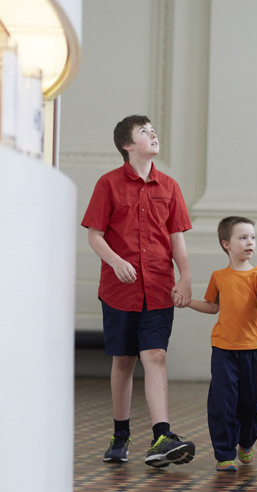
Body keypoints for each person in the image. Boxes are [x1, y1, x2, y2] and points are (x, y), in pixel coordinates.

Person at [81, 114, 195, 468]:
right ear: (127, 145)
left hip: (159, 287)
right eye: (145, 132)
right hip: (119, 290)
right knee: (124, 360)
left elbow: (176, 237)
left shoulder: (170, 187)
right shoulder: (108, 184)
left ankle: (162, 435)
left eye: (153, 130)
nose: (153, 135)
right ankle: (120, 434)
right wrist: (116, 261)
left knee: (155, 355)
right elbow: (95, 235)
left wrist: (185, 276)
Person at [179, 216, 257, 471]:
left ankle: (247, 439)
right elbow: (213, 306)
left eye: (252, 237)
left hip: (252, 349)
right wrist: (187, 302)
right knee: (223, 401)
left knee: (256, 396)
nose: (250, 242)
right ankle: (224, 453)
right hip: (223, 349)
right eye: (243, 237)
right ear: (226, 244)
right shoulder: (219, 276)